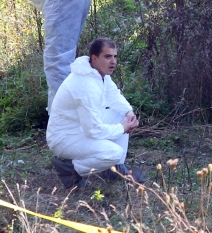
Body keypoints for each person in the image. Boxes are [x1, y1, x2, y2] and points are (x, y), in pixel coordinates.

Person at [46, 37, 144, 188]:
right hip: (64, 138)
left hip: (80, 128)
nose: (113, 61)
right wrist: (122, 128)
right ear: (94, 58)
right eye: (107, 56)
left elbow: (113, 95)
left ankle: (115, 169)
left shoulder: (97, 73)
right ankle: (71, 169)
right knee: (113, 153)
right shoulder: (86, 84)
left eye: (114, 56)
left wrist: (129, 113)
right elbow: (93, 130)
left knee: (121, 115)